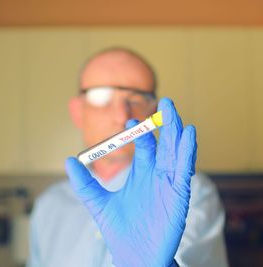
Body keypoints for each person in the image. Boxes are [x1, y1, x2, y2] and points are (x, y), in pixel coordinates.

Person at [27, 48, 228, 267]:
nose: (121, 116)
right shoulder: (49, 206)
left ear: (153, 111)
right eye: (101, 96)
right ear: (77, 111)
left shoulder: (187, 190)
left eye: (137, 98)